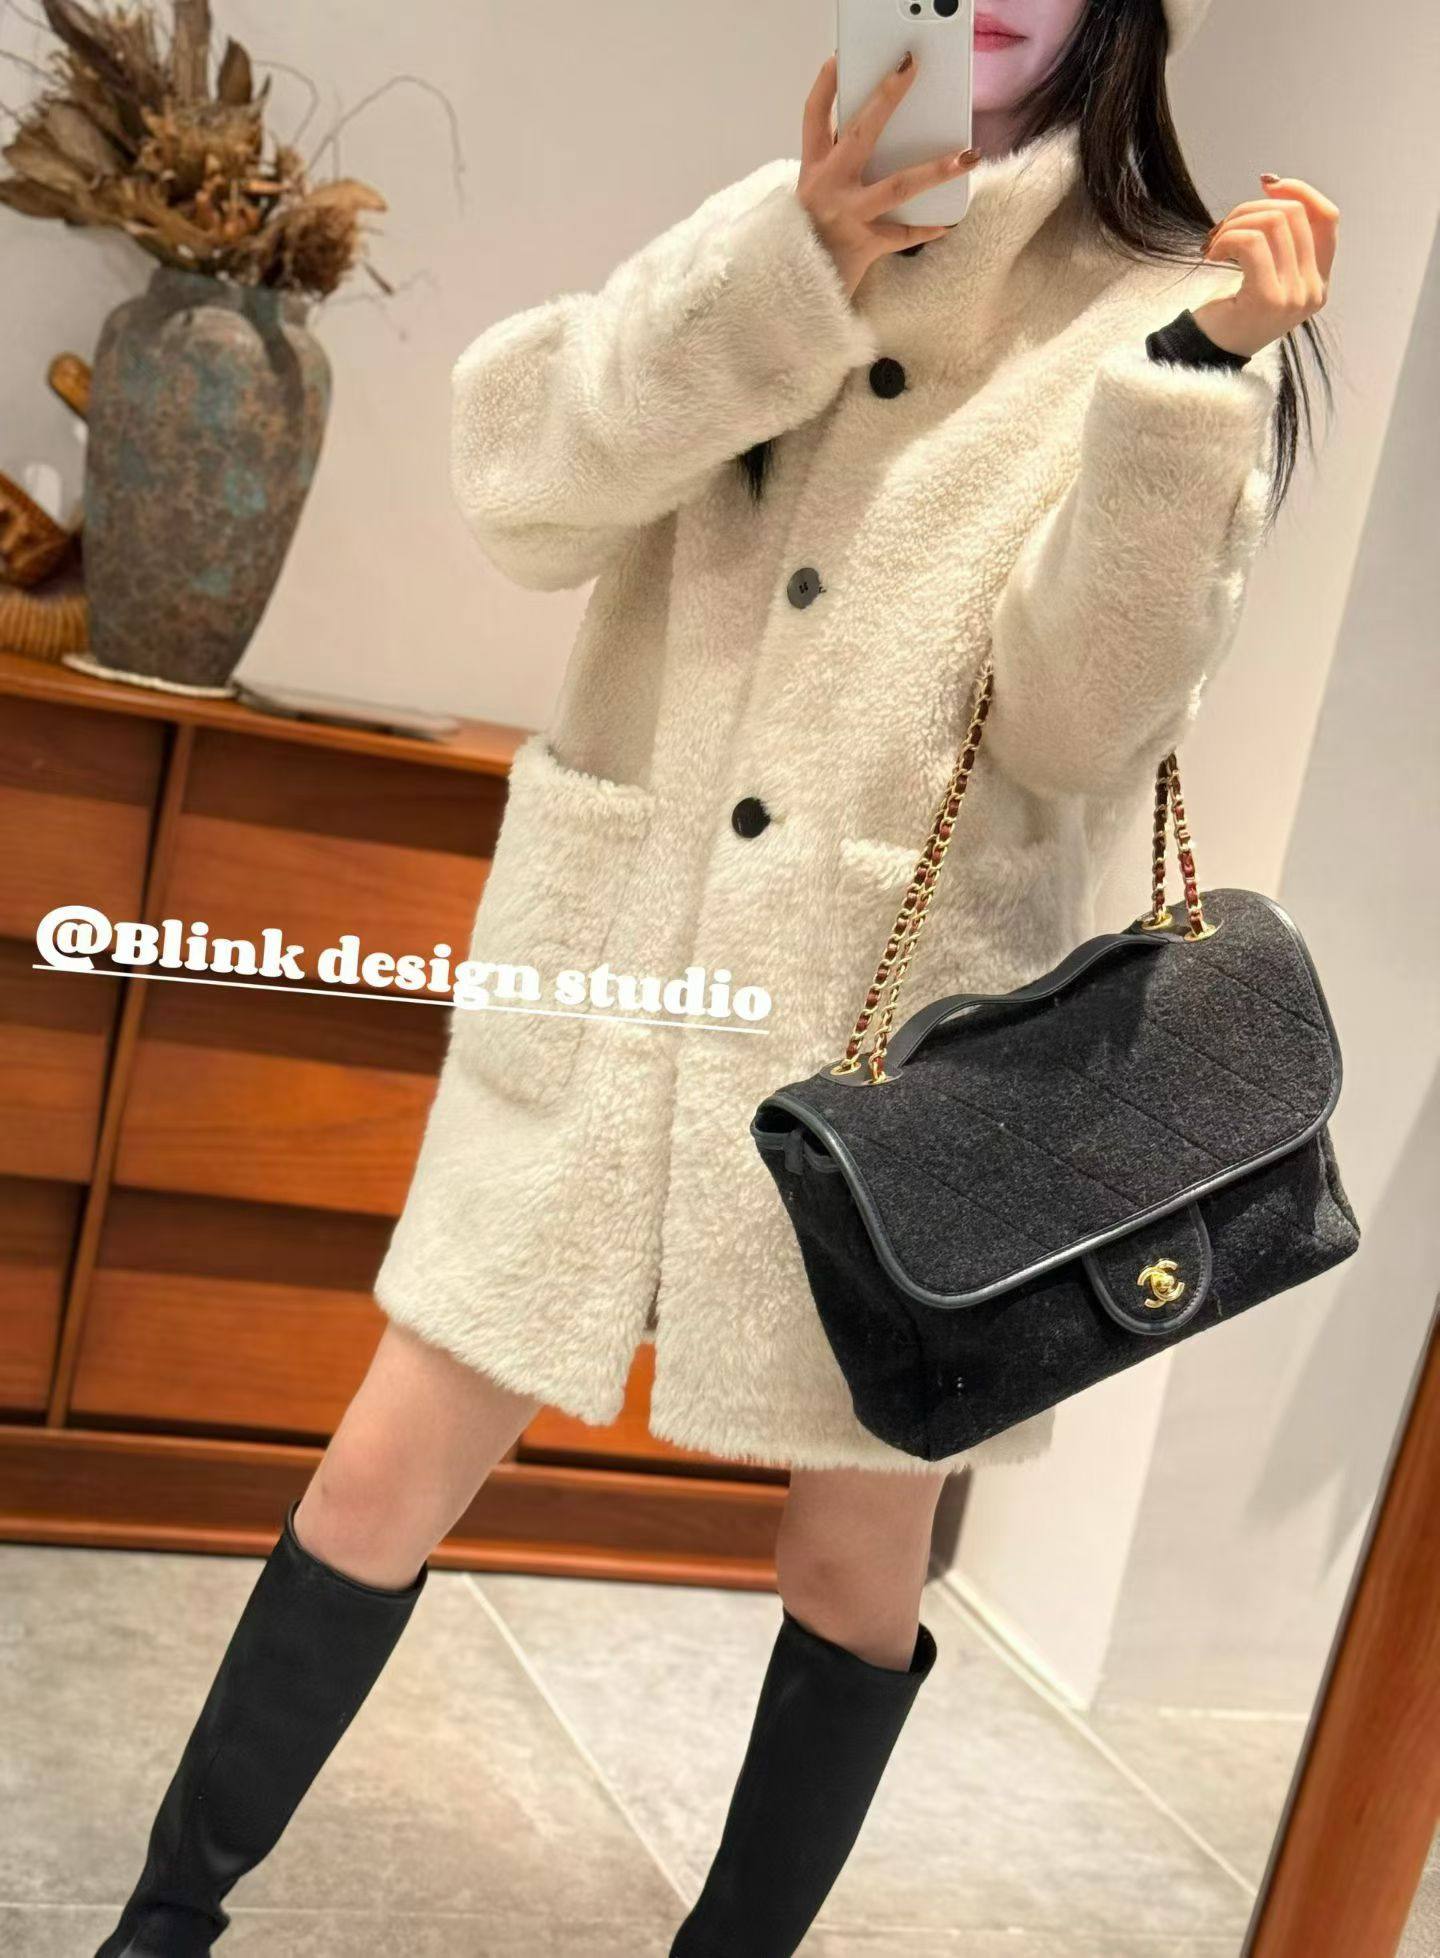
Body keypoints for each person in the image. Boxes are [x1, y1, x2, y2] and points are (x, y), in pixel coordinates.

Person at [97, 2, 1338, 1952]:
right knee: (389, 1457)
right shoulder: (779, 222)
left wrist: (1192, 386)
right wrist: (793, 263)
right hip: (622, 972)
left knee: (855, 1559)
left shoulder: (1164, 312)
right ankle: (166, 1922)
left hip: (895, 1048)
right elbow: (524, 485)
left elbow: (1076, 724)